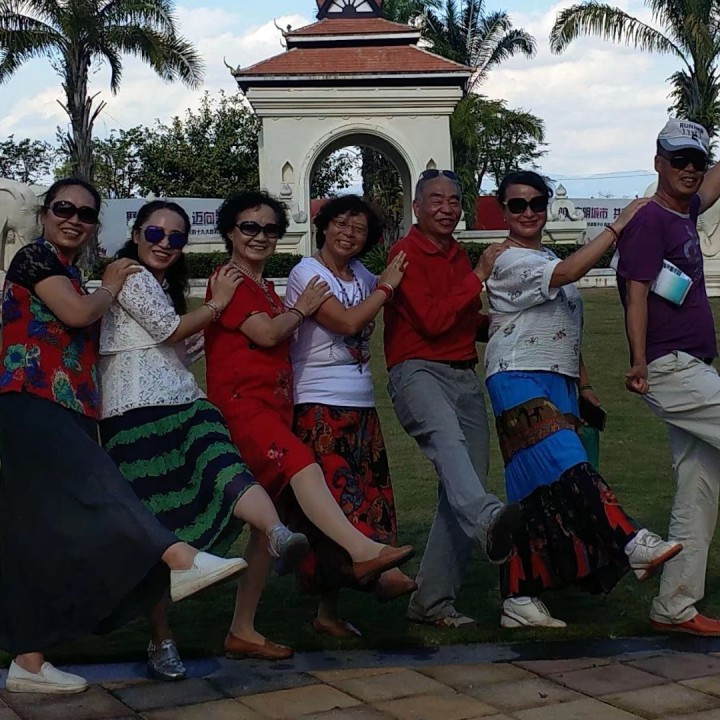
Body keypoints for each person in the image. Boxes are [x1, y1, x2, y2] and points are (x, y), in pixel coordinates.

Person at [0, 179, 246, 695]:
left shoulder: (71, 273)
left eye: (86, 214)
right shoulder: (35, 258)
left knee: (36, 538)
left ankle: (28, 660)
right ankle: (179, 558)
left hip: (70, 405)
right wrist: (110, 286)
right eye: (64, 208)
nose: (75, 219)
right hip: (28, 397)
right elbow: (76, 314)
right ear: (45, 214)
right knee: (101, 486)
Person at [98, 200, 310, 680]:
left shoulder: (157, 284)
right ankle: (162, 637)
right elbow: (168, 328)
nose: (165, 244)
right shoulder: (129, 274)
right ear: (136, 233)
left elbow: (166, 345)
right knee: (159, 526)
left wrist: (196, 338)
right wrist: (216, 306)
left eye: (176, 237)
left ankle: (276, 533)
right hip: (133, 416)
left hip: (180, 400)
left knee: (223, 464)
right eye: (156, 233)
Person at [204, 190, 415, 659]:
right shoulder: (231, 280)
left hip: (276, 404)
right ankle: (363, 552)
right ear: (230, 232)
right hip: (248, 408)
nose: (260, 237)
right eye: (249, 227)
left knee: (267, 526)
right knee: (304, 464)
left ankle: (242, 629)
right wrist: (301, 310)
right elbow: (266, 334)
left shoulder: (263, 286)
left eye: (270, 229)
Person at [484, 170, 682, 628]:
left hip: (559, 381)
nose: (529, 212)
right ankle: (630, 541)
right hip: (517, 375)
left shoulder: (546, 255)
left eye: (537, 203)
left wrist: (585, 387)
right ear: (504, 211)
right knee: (571, 467)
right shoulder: (506, 259)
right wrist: (618, 225)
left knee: (534, 493)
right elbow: (570, 273)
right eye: (518, 205)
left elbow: (566, 331)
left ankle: (518, 595)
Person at [383, 169, 522, 629]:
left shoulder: (456, 253)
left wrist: (505, 324)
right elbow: (433, 320)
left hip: (463, 374)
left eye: (454, 200)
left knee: (463, 484)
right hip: (418, 370)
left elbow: (461, 319)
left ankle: (432, 602)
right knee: (450, 448)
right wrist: (479, 275)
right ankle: (490, 521)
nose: (447, 208)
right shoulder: (405, 254)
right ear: (417, 207)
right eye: (436, 200)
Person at [284, 195, 416, 638]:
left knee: (370, 496)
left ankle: (328, 611)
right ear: (323, 227)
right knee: (340, 502)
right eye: (341, 223)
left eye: (359, 229)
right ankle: (381, 574)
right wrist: (385, 289)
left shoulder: (361, 274)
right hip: (318, 401)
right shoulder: (308, 272)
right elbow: (345, 323)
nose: (348, 234)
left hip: (360, 401)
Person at [617, 119, 720, 637]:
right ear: (658, 161)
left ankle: (674, 606)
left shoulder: (686, 211)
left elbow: (714, 182)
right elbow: (636, 293)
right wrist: (638, 360)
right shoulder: (650, 220)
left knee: (697, 492)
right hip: (668, 365)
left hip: (694, 365)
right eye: (679, 159)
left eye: (697, 160)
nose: (689, 168)